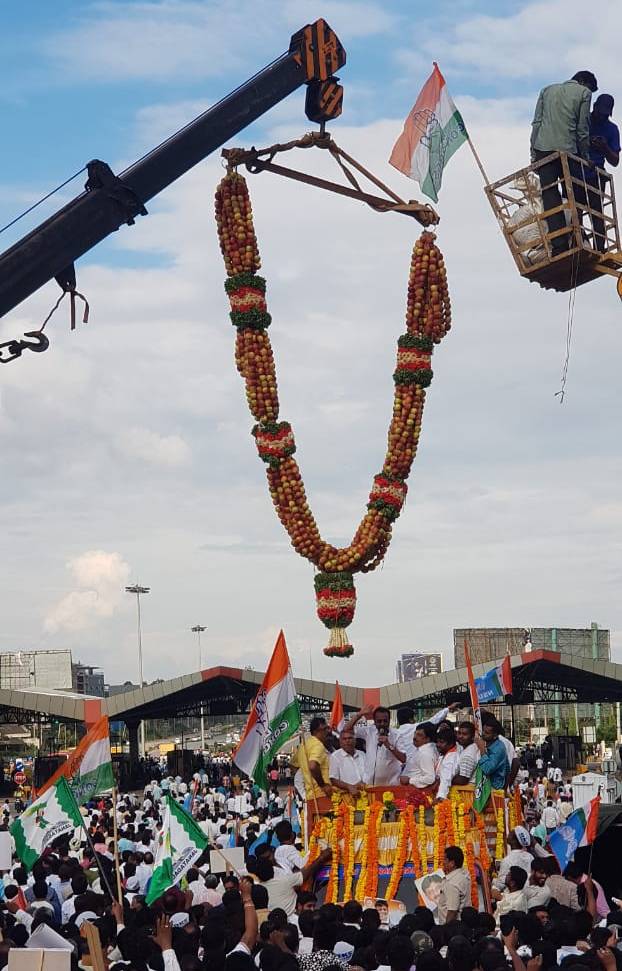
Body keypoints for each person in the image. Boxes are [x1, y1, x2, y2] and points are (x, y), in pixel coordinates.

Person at [530, 71, 598, 255]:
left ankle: (558, 245)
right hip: (568, 150)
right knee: (574, 193)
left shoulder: (547, 90)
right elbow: (582, 128)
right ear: (584, 82)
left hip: (543, 148)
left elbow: (536, 123)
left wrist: (533, 154)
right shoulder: (584, 93)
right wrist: (585, 156)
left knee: (550, 196)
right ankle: (577, 239)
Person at [585, 94, 620, 250]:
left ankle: (599, 247)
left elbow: (615, 161)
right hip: (577, 170)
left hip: (597, 175)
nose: (602, 116)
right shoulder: (583, 121)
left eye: (606, 114)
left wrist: (605, 147)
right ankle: (578, 244)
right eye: (600, 113)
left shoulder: (612, 129)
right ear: (594, 107)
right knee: (574, 211)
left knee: (597, 213)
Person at [346, 704, 406, 786]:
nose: (382, 724)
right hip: (369, 784)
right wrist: (359, 715)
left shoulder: (397, 735)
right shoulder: (369, 731)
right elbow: (346, 730)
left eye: (385, 721)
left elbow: (403, 759)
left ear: (389, 720)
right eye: (379, 721)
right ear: (374, 721)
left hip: (391, 785)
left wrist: (389, 745)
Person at [290, 716, 332, 800]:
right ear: (316, 731)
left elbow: (293, 765)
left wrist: (306, 777)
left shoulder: (304, 745)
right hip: (322, 794)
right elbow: (313, 766)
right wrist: (322, 785)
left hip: (310, 795)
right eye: (324, 729)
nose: (328, 731)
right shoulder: (318, 744)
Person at [400, 721, 439, 802]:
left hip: (416, 794)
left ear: (428, 739)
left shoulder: (425, 753)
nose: (414, 737)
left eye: (419, 735)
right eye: (415, 733)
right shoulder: (425, 749)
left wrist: (409, 780)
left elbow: (430, 778)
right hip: (414, 792)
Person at [436, 846, 471, 924]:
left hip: (452, 930)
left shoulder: (452, 883)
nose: (443, 862)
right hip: (461, 926)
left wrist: (446, 930)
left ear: (452, 863)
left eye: (445, 859)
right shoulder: (463, 876)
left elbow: (452, 911)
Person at [328, 726, 366, 796]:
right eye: (344, 739)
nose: (347, 741)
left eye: (350, 738)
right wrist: (349, 787)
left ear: (355, 740)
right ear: (340, 741)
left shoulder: (362, 754)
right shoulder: (335, 756)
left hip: (366, 793)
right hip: (348, 796)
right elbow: (333, 779)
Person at [474, 721, 509, 791]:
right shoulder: (488, 743)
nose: (483, 734)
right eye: (483, 731)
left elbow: (487, 769)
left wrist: (482, 749)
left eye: (487, 733)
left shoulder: (498, 748)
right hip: (485, 786)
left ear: (495, 735)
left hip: (494, 788)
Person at [436, 726, 460, 800]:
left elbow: (445, 779)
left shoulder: (451, 757)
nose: (438, 745)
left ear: (450, 744)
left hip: (448, 796)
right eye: (437, 741)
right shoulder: (446, 753)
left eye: (441, 742)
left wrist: (440, 797)